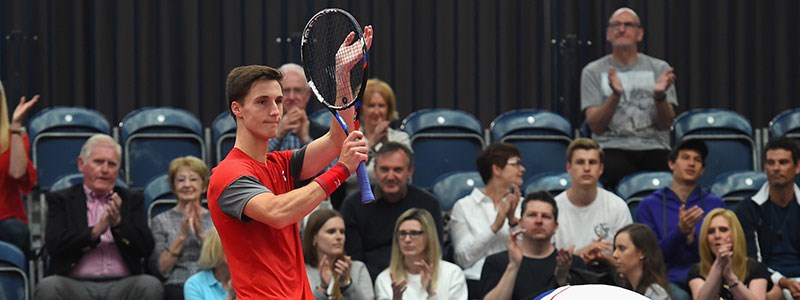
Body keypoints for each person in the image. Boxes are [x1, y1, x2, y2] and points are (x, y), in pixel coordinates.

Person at [207, 25, 373, 300]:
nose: (275, 111)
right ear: (237, 109)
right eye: (262, 102)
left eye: (278, 101)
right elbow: (278, 213)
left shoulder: (281, 163)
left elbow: (336, 139)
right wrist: (342, 169)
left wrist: (342, 76)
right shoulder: (228, 174)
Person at [35, 134, 162, 300]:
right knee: (48, 287)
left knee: (150, 285)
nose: (105, 170)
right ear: (81, 164)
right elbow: (55, 246)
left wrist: (118, 225)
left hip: (123, 284)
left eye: (112, 164)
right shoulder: (62, 199)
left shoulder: (131, 199)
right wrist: (94, 232)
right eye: (98, 162)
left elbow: (146, 248)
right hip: (74, 284)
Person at [580, 7, 678, 190]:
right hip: (610, 147)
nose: (622, 29)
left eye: (628, 25)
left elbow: (666, 124)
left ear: (639, 34)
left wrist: (659, 96)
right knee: (613, 169)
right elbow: (595, 126)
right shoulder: (592, 71)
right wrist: (615, 96)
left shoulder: (659, 68)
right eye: (616, 25)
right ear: (608, 34)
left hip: (654, 147)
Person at [340, 142, 444, 280]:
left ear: (410, 172)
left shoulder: (428, 204)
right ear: (375, 171)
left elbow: (435, 252)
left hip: (419, 278)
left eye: (398, 170)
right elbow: (354, 260)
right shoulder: (353, 205)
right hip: (368, 281)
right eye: (384, 169)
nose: (390, 176)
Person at [636, 140, 725, 300]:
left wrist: (692, 238)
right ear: (671, 164)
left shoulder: (715, 204)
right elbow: (649, 257)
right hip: (667, 278)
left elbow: (723, 249)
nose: (691, 163)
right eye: (685, 157)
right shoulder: (649, 205)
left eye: (697, 160)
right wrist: (680, 232)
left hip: (707, 276)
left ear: (702, 170)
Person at [480, 191, 587, 300]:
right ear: (520, 223)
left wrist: (563, 279)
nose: (539, 221)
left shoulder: (572, 264)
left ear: (555, 226)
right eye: (532, 215)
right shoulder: (496, 262)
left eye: (545, 216)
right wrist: (513, 266)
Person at [449, 142, 523, 296]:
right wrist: (495, 226)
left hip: (518, 279)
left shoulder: (523, 204)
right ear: (496, 169)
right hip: (477, 282)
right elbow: (463, 259)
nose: (522, 169)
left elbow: (530, 251)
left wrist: (513, 222)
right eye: (516, 164)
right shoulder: (464, 206)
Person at [735, 136, 800, 299]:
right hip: (767, 282)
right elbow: (752, 261)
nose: (776, 168)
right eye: (770, 163)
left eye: (783, 162)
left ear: (797, 167)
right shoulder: (748, 210)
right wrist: (783, 282)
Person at [553, 138, 632, 265]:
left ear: (600, 168)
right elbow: (545, 263)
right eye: (580, 162)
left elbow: (628, 262)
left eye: (592, 162)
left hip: (606, 277)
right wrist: (581, 255)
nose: (587, 168)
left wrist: (601, 258)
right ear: (568, 167)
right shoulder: (553, 208)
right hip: (564, 279)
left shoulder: (617, 207)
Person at [150, 156, 215, 299]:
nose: (187, 185)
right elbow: (161, 269)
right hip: (176, 284)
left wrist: (201, 234)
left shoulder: (215, 219)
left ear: (203, 186)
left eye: (193, 179)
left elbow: (222, 261)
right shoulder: (160, 221)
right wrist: (181, 237)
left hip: (211, 285)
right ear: (173, 187)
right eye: (180, 180)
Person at [374, 208, 467, 300]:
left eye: (414, 233)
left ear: (429, 236)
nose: (407, 239)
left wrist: (431, 294)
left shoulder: (452, 274)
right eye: (402, 233)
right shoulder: (386, 278)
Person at [344, 78, 411, 197]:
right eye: (371, 106)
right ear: (361, 110)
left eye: (381, 106)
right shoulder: (352, 138)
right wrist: (372, 144)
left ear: (388, 109)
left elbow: (407, 177)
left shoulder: (401, 139)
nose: (376, 111)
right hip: (357, 201)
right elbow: (349, 178)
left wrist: (387, 145)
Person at [688, 208, 772, 300]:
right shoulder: (697, 271)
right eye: (711, 231)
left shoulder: (755, 268)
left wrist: (730, 277)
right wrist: (718, 266)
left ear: (735, 234)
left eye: (723, 230)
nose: (717, 236)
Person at [0, 82, 38, 258]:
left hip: (4, 221)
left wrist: (15, 126)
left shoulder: (13, 137)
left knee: (16, 232)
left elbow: (17, 173)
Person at [302, 208, 374, 300]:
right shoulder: (302, 273)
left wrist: (346, 285)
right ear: (314, 238)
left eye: (342, 232)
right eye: (331, 231)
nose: (339, 237)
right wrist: (323, 288)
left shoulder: (358, 269)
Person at [268, 63, 327, 152]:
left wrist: (305, 139)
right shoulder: (261, 129)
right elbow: (250, 162)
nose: (292, 97)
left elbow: (333, 165)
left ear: (307, 95)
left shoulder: (323, 133)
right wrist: (278, 134)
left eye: (298, 90)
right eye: (286, 91)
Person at [612, 223, 672, 300]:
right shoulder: (623, 291)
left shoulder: (656, 294)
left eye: (622, 248)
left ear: (642, 253)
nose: (614, 255)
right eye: (615, 248)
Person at [184, 229, 234, 300]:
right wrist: (231, 296)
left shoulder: (247, 280)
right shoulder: (194, 284)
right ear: (214, 250)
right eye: (231, 246)